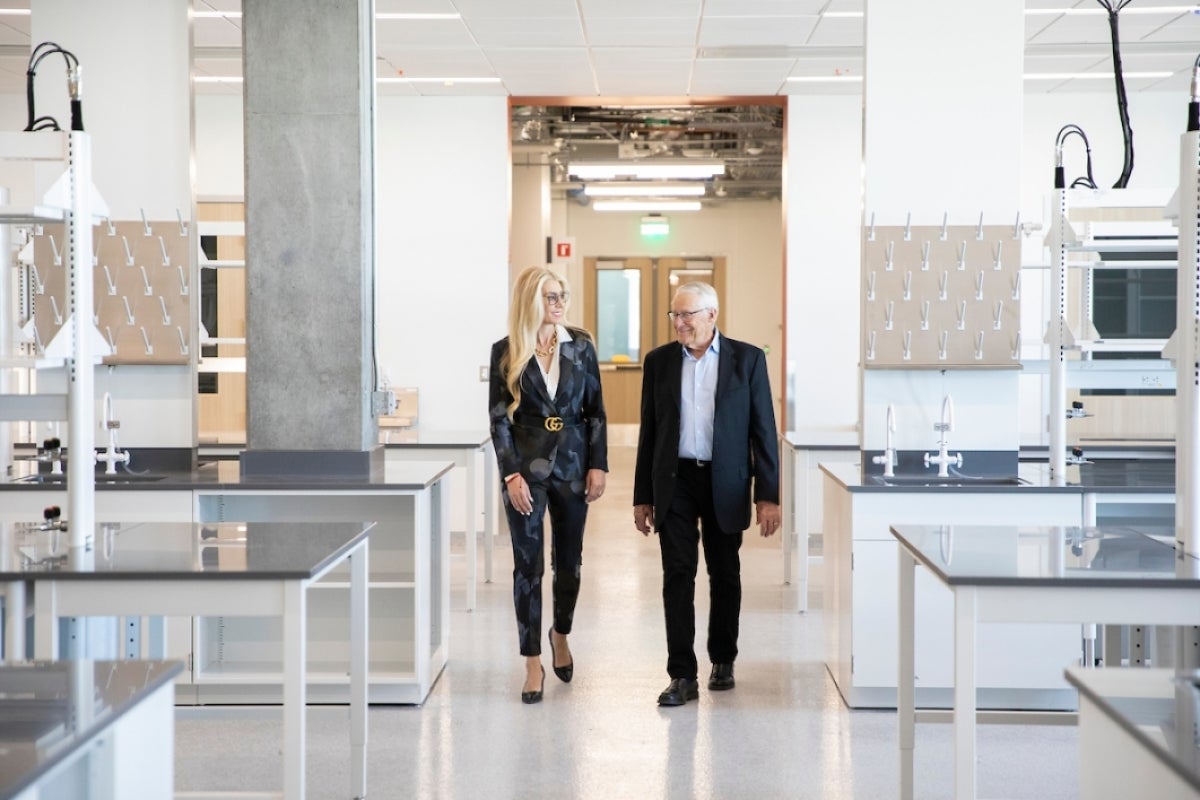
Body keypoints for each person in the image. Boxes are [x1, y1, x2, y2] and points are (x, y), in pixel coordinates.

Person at [633, 281, 781, 707]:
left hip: (726, 481)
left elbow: (763, 430)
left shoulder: (747, 360)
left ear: (712, 315)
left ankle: (723, 659)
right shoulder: (659, 362)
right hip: (675, 482)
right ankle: (682, 673)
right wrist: (642, 495)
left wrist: (767, 494)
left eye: (687, 315)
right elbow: (651, 432)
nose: (679, 323)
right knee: (677, 575)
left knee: (724, 572)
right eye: (675, 316)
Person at [489, 266, 608, 704]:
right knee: (527, 566)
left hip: (575, 466)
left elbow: (596, 410)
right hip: (525, 470)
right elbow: (499, 419)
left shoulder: (581, 346)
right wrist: (511, 473)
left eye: (563, 296)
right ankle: (532, 661)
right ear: (531, 301)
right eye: (551, 296)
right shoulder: (506, 351)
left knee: (570, 561)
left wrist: (599, 464)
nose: (559, 303)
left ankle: (561, 633)